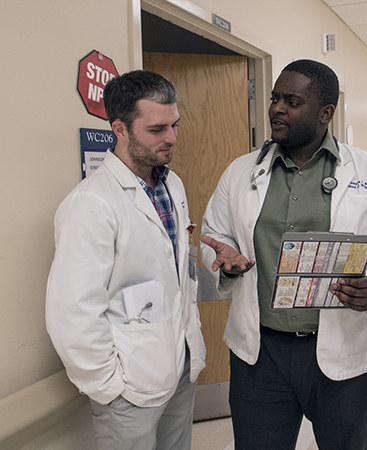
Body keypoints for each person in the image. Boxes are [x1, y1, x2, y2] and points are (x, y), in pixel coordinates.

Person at [200, 59, 367, 449]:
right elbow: (213, 235)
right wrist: (224, 260)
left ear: (325, 113)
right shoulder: (240, 172)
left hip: (342, 351)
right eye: (274, 99)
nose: (277, 109)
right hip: (260, 355)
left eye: (292, 101)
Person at [46, 70, 206, 450]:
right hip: (128, 386)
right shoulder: (92, 204)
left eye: (174, 125)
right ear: (120, 129)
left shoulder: (172, 185)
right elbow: (73, 310)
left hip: (180, 365)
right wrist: (108, 386)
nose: (171, 138)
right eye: (156, 129)